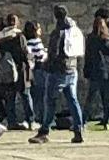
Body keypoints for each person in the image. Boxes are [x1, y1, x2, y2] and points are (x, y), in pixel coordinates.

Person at [37, 9, 88, 142]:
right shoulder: (75, 30)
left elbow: (54, 52)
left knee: (50, 100)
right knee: (73, 100)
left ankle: (44, 131)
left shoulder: (58, 32)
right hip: (72, 68)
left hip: (58, 70)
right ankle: (78, 129)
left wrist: (46, 64)